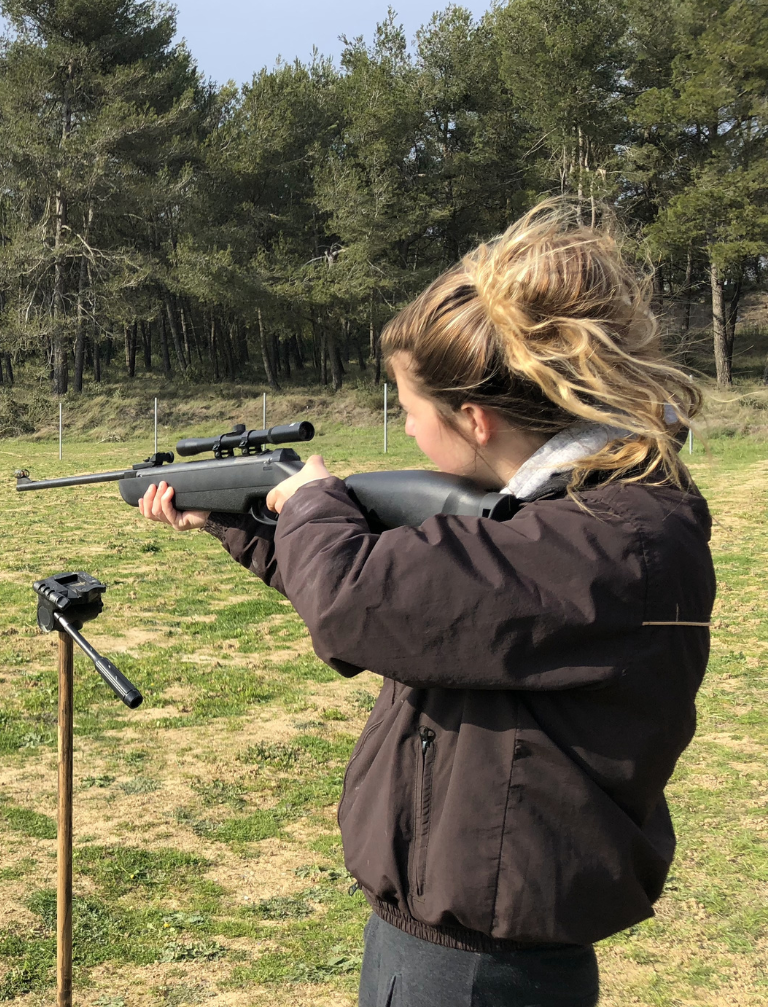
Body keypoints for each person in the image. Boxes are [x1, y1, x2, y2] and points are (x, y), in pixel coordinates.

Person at [138, 201, 714, 1007]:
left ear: (474, 420)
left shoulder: (601, 541)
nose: (406, 432)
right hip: (461, 938)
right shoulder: (582, 518)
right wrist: (245, 527)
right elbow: (417, 605)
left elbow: (356, 597)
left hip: (479, 966)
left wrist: (309, 502)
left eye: (409, 413)